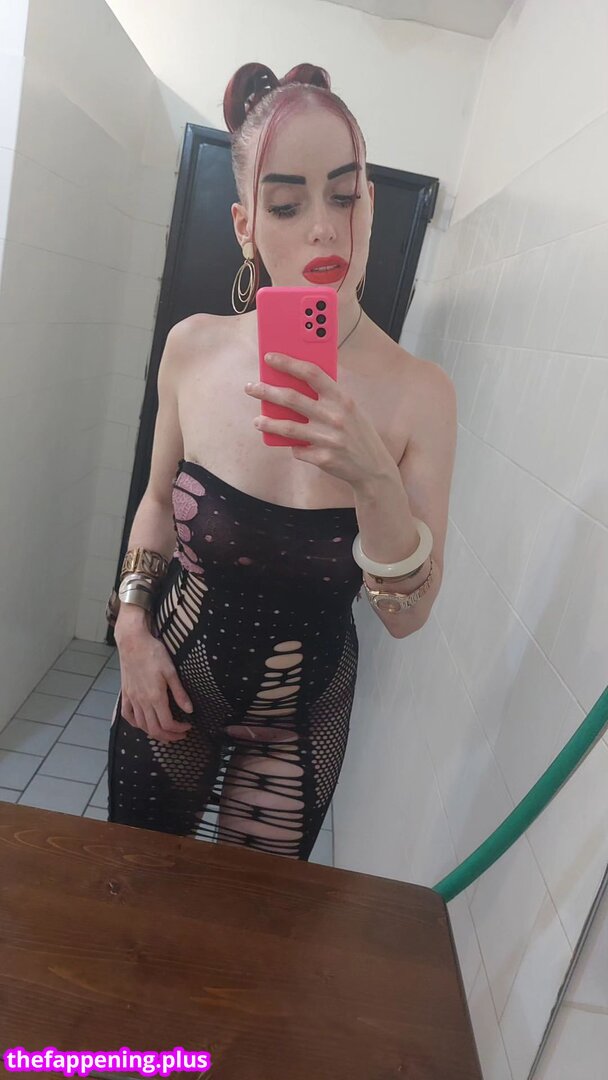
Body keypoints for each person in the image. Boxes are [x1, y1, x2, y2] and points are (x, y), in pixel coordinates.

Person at [106, 62, 457, 859]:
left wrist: (374, 477)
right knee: (135, 890)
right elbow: (157, 502)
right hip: (169, 678)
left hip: (301, 717)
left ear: (371, 202)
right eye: (288, 204)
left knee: (253, 924)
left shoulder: (421, 394)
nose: (324, 229)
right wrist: (130, 626)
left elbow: (407, 617)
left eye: (344, 195)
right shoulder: (193, 350)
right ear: (245, 225)